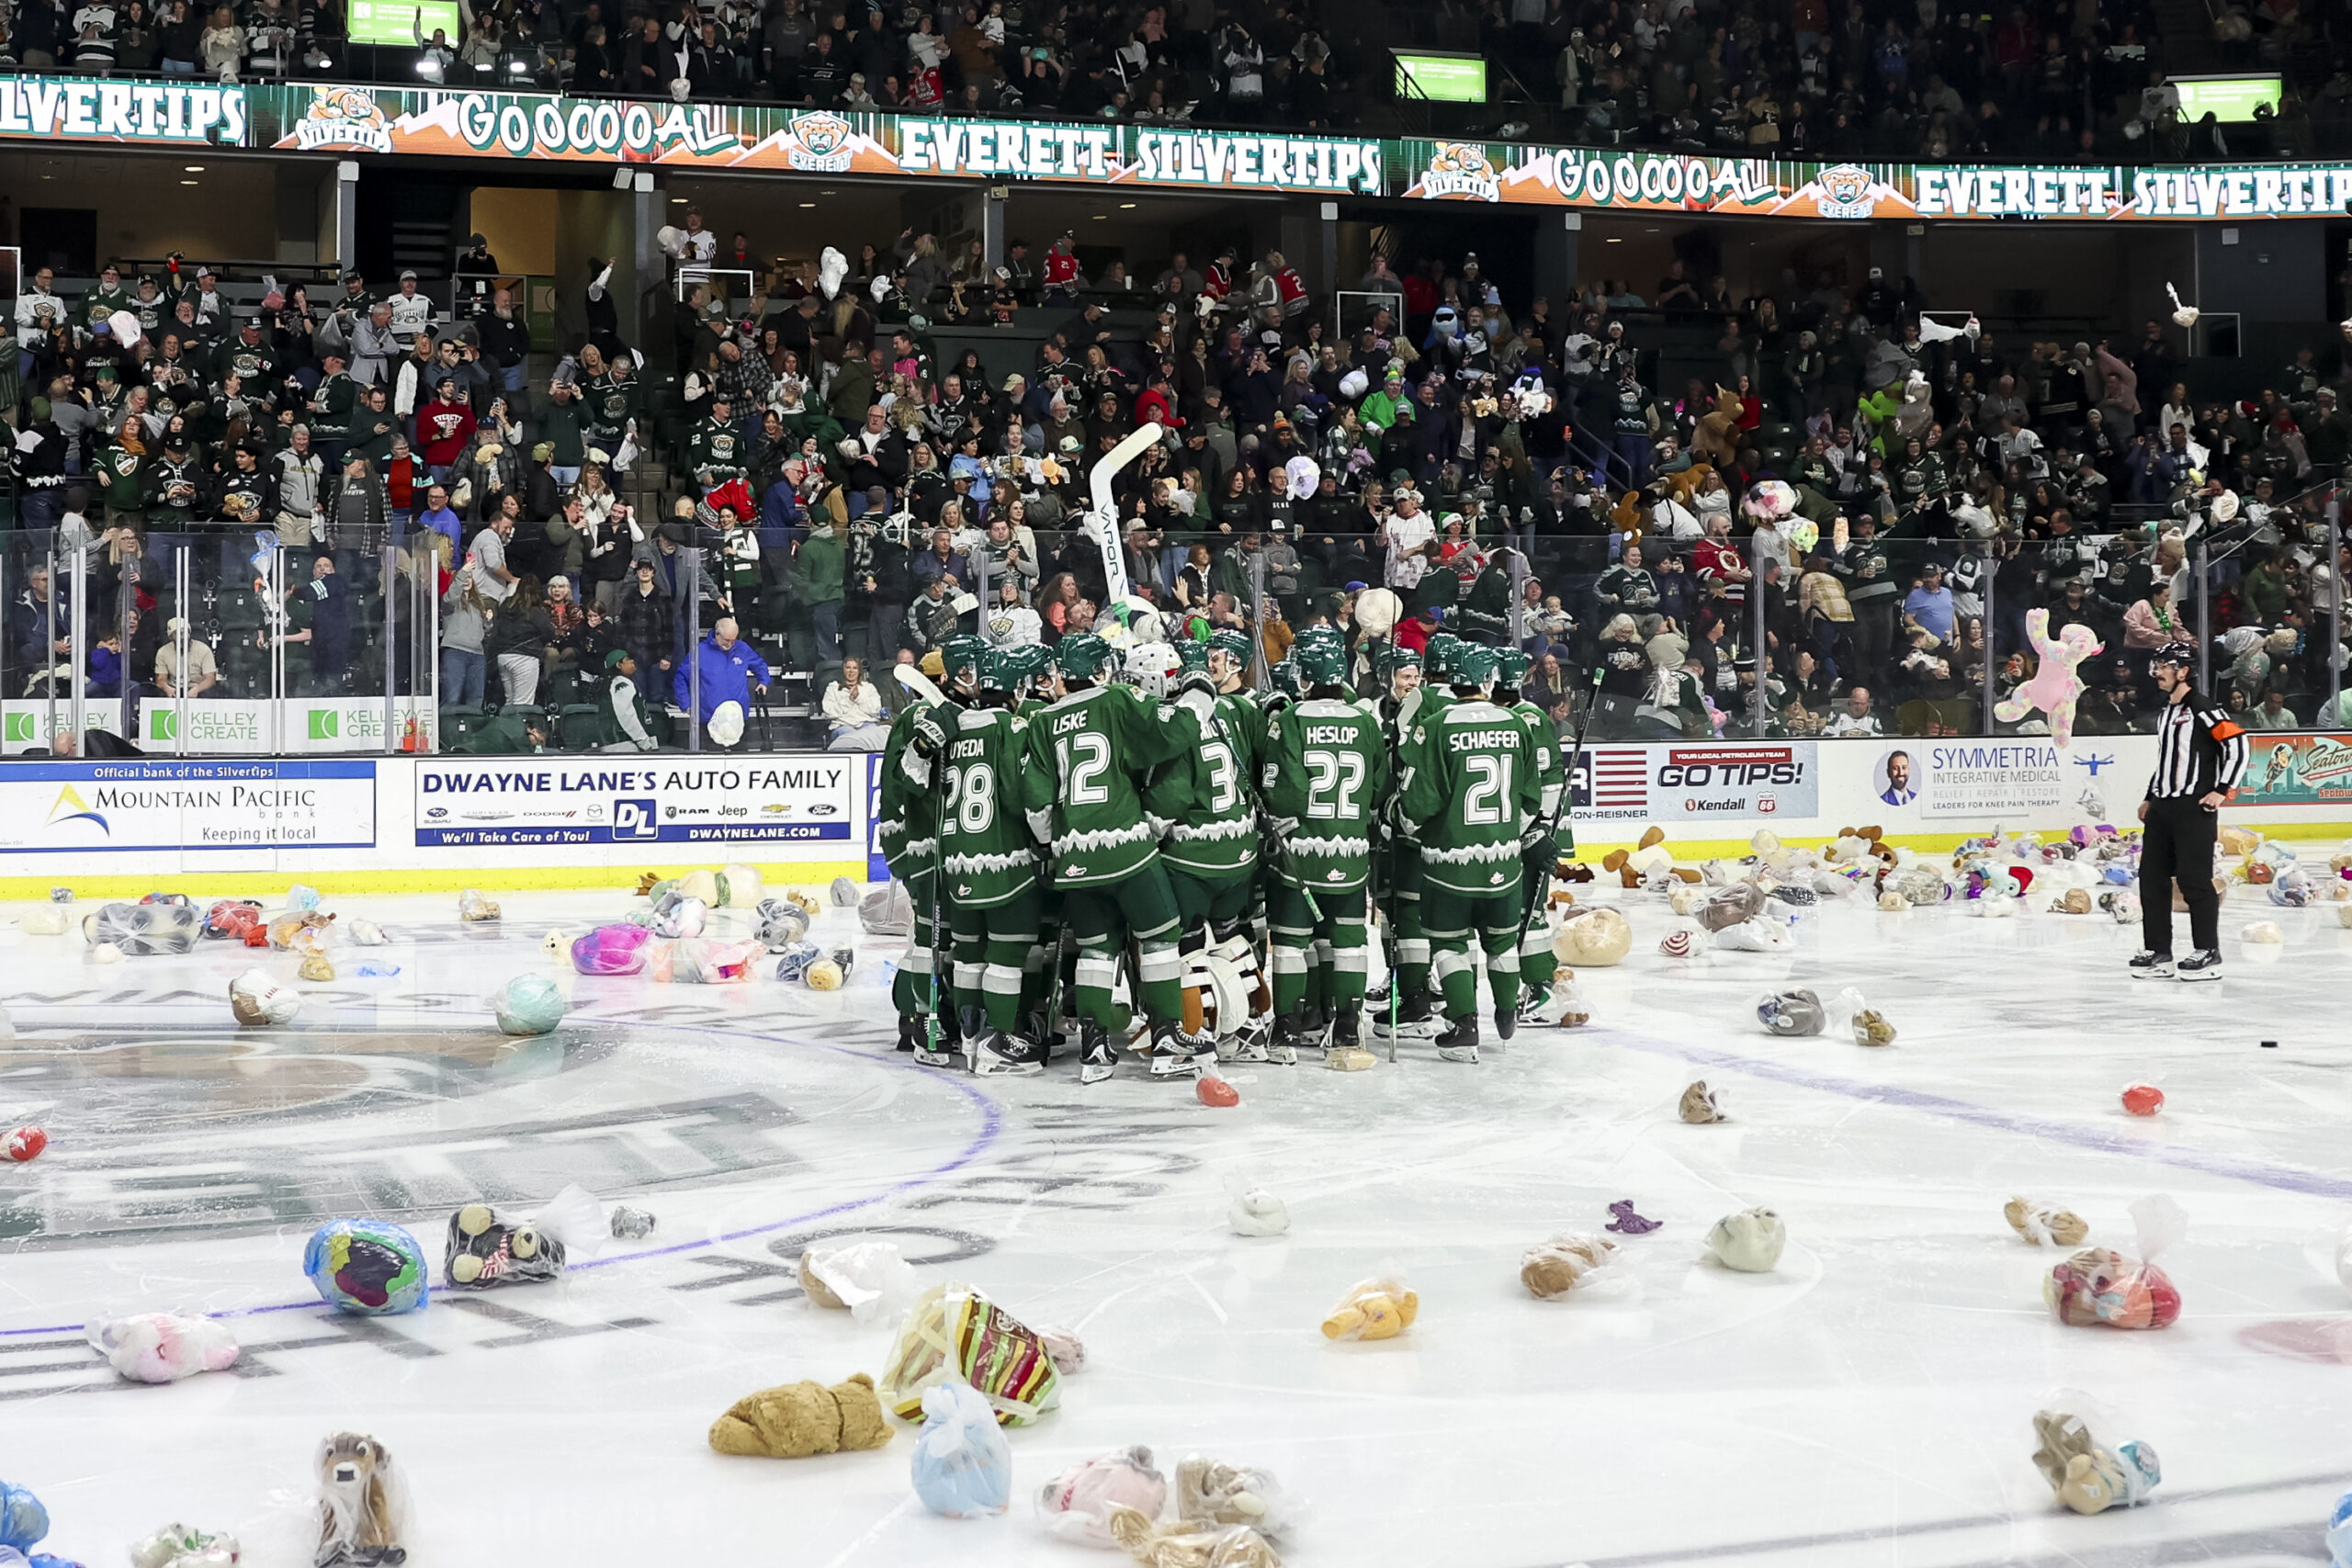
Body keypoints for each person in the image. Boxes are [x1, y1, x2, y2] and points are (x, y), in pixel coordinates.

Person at [1397, 640, 1538, 1063]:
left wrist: (1400, 821)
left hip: (1449, 864)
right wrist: (1512, 837)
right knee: (1502, 941)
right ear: (1489, 680)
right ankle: (1507, 1011)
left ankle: (1464, 1025)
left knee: (1450, 944)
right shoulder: (1517, 724)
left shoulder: (1436, 725)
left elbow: (1418, 803)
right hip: (1505, 862)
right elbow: (1531, 798)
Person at [2131, 642, 2249, 982]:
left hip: (2193, 807)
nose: (2157, 672)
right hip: (2162, 807)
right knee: (2152, 880)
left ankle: (2208, 952)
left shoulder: (2202, 707)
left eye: (2164, 666)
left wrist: (2222, 790)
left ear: (2183, 671)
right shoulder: (2167, 710)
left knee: (2194, 880)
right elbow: (2167, 760)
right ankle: (2158, 952)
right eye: (2156, 666)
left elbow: (2238, 744)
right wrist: (2150, 796)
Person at [675, 615, 771, 748]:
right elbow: (681, 677)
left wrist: (764, 681)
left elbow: (759, 664)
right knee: (711, 759)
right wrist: (686, 704)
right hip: (708, 718)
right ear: (717, 634)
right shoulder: (700, 651)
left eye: (733, 640)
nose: (730, 644)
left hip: (738, 718)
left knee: (740, 758)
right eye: (727, 640)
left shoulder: (742, 648)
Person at [822, 656, 891, 750]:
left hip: (867, 724)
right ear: (843, 670)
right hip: (843, 726)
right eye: (848, 668)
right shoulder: (833, 688)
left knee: (878, 737)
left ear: (859, 671)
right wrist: (848, 701)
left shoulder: (869, 688)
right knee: (853, 739)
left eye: (855, 668)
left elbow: (875, 709)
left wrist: (858, 698)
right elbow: (829, 712)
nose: (851, 671)